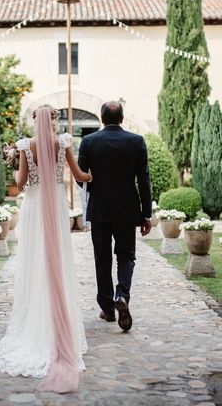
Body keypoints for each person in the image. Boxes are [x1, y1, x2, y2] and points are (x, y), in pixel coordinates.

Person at [0, 105, 92, 394]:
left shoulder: (26, 145)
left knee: (35, 261)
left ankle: (36, 323)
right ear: (55, 121)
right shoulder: (64, 143)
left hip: (35, 206)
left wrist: (15, 160)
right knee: (57, 261)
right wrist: (91, 177)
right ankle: (57, 322)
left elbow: (21, 183)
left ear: (36, 122)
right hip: (57, 205)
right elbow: (80, 176)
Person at [77, 101, 153, 332]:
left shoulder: (89, 142)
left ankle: (108, 309)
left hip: (99, 210)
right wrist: (146, 214)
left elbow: (81, 177)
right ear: (122, 118)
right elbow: (144, 179)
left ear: (101, 119)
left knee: (102, 258)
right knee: (126, 256)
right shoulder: (136, 141)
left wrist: (96, 190)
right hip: (127, 209)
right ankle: (123, 295)